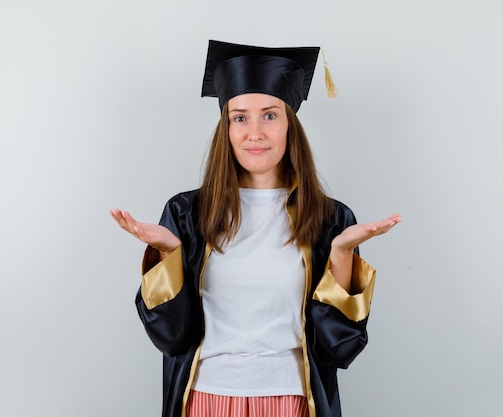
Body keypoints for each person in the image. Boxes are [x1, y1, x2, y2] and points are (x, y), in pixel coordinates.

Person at [110, 40, 401, 417]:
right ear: (226, 128)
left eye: (270, 115)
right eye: (240, 117)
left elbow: (338, 350)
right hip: (205, 399)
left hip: (294, 400)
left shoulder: (329, 219)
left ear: (290, 125)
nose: (255, 133)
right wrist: (170, 256)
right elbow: (170, 337)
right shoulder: (187, 214)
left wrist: (341, 255)